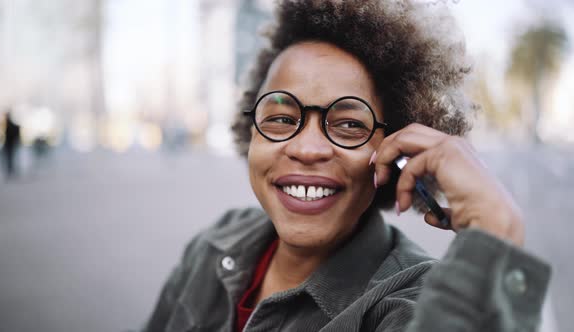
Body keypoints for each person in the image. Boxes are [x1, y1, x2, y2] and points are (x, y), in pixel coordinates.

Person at [143, 1, 550, 331]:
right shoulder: (216, 242)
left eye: (350, 124)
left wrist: (495, 236)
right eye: (282, 118)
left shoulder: (411, 305)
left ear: (399, 149)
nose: (307, 148)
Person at [2, 111, 20, 179]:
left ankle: (11, 171)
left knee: (10, 158)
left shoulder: (9, 124)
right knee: (10, 158)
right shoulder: (8, 123)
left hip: (10, 145)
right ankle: (10, 170)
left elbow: (11, 135)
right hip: (9, 145)